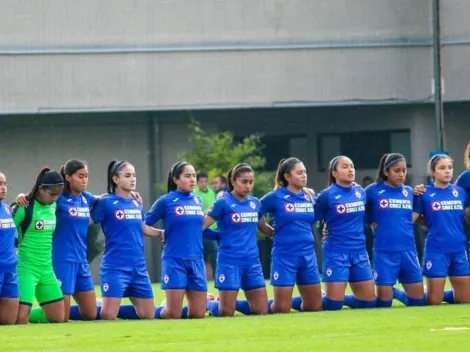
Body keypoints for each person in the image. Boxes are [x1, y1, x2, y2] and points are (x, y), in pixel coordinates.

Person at [91, 160, 161, 320]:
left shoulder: (136, 202)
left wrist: (162, 233)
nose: (133, 179)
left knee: (148, 315)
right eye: (127, 175)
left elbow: (143, 228)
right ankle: (88, 307)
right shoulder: (106, 202)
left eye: (134, 175)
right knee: (108, 316)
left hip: (138, 268)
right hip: (115, 267)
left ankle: (98, 304)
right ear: (116, 179)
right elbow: (85, 221)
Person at [204, 163, 270, 317]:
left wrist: (280, 233)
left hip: (252, 261)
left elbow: (263, 227)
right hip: (229, 261)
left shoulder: (255, 203)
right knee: (226, 312)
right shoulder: (223, 203)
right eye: (244, 182)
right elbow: (201, 227)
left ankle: (230, 302)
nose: (248, 186)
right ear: (233, 181)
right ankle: (208, 302)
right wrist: (217, 236)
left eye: (251, 182)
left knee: (261, 310)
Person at [146, 161, 207, 319]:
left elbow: (198, 228)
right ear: (176, 180)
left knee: (198, 314)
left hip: (196, 260)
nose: (192, 179)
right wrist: (160, 233)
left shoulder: (198, 201)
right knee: (173, 314)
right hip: (175, 260)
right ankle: (155, 310)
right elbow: (143, 225)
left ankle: (211, 303)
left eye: (194, 175)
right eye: (187, 176)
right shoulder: (165, 201)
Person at [314, 156, 377, 310]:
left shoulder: (361, 193)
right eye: (345, 167)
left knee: (369, 303)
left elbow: (368, 216)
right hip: (336, 252)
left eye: (352, 166)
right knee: (333, 305)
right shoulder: (326, 196)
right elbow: (312, 219)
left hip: (359, 252)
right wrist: (321, 233)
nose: (350, 169)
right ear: (334, 173)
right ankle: (312, 299)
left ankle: (341, 298)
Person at [260, 158, 322, 313]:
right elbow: (252, 210)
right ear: (287, 177)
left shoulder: (310, 196)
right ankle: (255, 305)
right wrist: (266, 230)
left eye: (305, 172)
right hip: (285, 255)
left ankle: (283, 301)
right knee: (281, 308)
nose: (304, 176)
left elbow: (321, 214)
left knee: (314, 307)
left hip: (308, 254)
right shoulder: (275, 197)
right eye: (299, 173)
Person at [365, 153, 425, 307]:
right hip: (384, 251)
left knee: (418, 302)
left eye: (404, 170)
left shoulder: (410, 193)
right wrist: (371, 221)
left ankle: (396, 292)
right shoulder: (372, 191)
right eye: (397, 171)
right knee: (385, 304)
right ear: (386, 172)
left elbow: (415, 213)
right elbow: (359, 211)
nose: (401, 174)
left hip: (408, 250)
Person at [412, 154, 470, 305]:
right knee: (434, 302)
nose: (447, 171)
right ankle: (405, 295)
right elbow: (413, 217)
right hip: (436, 249)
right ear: (432, 172)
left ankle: (439, 294)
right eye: (442, 168)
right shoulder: (424, 194)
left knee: (465, 300)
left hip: (458, 249)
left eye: (450, 168)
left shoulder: (461, 192)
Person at [12, 168, 65, 324]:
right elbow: (6, 230)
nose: (55, 198)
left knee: (58, 318)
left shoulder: (53, 206)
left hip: (46, 269)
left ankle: (27, 314)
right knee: (20, 321)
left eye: (58, 194)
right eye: (52, 194)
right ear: (41, 189)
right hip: (26, 268)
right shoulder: (24, 207)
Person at [0, 171, 19, 325]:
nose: (3, 188)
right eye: (0, 184)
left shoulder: (8, 209)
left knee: (9, 322)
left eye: (5, 184)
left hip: (10, 269)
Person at [194, 171, 218, 282]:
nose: (204, 183)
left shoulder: (211, 193)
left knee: (214, 254)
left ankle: (216, 279)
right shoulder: (195, 194)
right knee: (200, 256)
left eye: (205, 181)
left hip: (212, 228)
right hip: (200, 230)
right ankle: (200, 279)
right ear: (197, 182)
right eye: (201, 181)